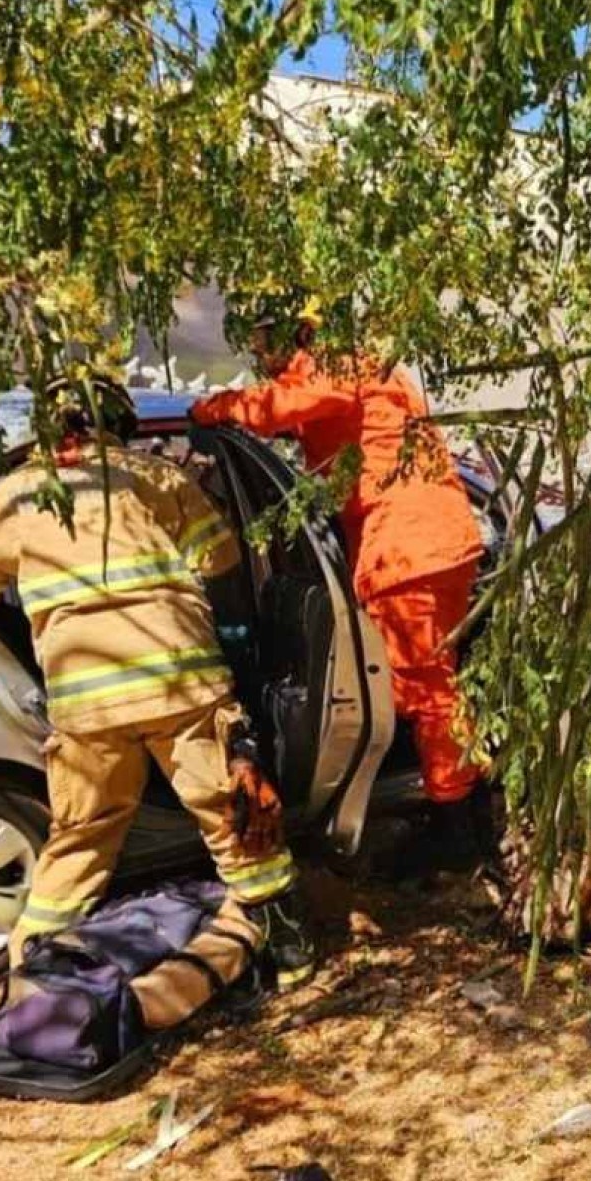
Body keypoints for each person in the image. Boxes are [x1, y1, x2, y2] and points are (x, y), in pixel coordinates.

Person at [0, 375, 316, 988]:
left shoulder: (9, 497)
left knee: (82, 835)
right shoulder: (158, 478)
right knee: (231, 815)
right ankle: (291, 954)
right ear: (120, 424)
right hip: (180, 684)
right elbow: (220, 558)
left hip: (86, 705)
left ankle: (34, 972)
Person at [191, 296, 492, 868]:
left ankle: (456, 827)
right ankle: (462, 806)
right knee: (436, 686)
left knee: (425, 691)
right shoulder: (370, 369)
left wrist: (216, 408)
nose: (260, 356)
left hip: (408, 548)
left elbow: (279, 406)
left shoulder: (336, 366)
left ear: (295, 332)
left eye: (262, 340)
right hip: (434, 539)